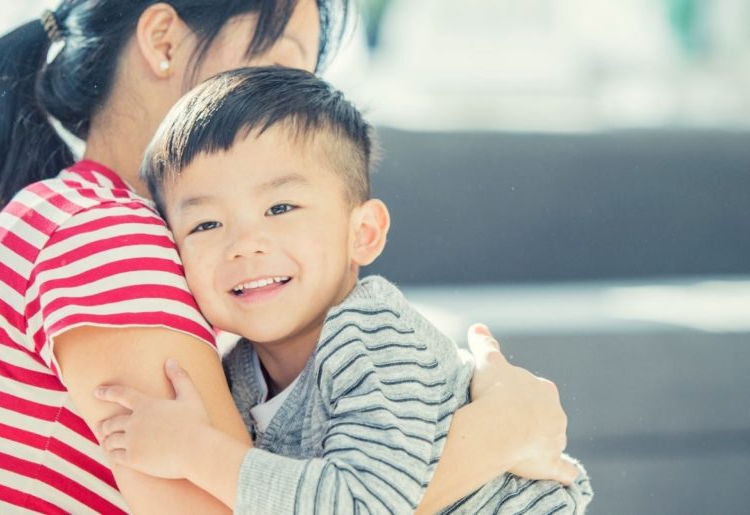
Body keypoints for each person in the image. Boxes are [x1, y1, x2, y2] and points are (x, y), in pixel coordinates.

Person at [0, 1, 578, 513]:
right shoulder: (106, 236)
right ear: (162, 41)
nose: (294, 101)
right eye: (282, 65)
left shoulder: (69, 210)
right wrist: (498, 436)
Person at [94, 66, 593, 514]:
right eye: (205, 224)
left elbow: (360, 505)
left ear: (363, 234)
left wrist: (194, 450)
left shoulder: (374, 337)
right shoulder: (238, 373)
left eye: (280, 209)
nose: (244, 245)